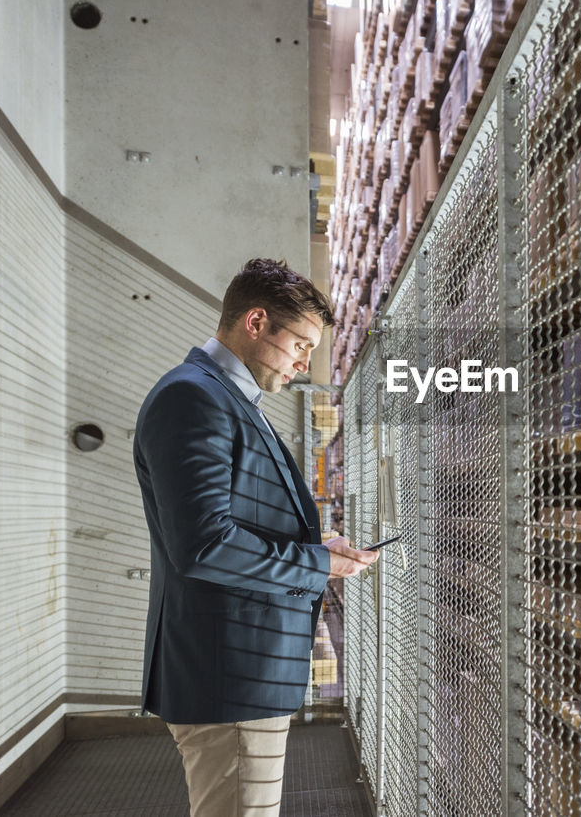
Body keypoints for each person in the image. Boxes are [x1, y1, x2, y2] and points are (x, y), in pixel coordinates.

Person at [133, 257, 379, 816]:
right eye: (299, 344)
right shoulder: (193, 398)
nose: (303, 361)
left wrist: (317, 549)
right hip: (229, 674)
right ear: (256, 322)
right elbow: (204, 545)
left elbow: (235, 523)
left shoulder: (228, 398)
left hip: (241, 671)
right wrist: (316, 566)